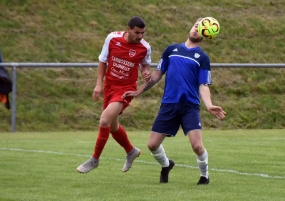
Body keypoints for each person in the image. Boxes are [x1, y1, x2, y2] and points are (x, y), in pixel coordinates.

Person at [122, 17, 226, 184]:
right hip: (169, 105)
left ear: (206, 34)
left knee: (197, 146)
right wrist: (138, 91)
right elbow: (156, 74)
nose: (195, 29)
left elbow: (203, 85)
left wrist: (209, 105)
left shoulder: (202, 57)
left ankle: (204, 176)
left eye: (200, 28)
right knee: (152, 145)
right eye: (195, 25)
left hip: (189, 106)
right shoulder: (171, 50)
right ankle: (166, 165)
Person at [77, 16, 152, 173]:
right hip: (110, 86)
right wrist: (99, 84)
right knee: (113, 127)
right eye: (137, 32)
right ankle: (131, 151)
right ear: (128, 29)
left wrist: (145, 73)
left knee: (104, 120)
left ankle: (94, 159)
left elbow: (145, 65)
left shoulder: (145, 47)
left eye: (143, 33)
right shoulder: (112, 38)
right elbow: (102, 61)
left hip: (126, 89)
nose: (140, 36)